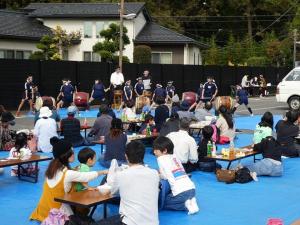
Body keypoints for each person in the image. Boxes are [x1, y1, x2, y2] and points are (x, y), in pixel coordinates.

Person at [30, 137, 107, 222]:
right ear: (66, 155)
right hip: (56, 213)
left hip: (43, 210)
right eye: (72, 152)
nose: (74, 153)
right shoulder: (67, 173)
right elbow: (86, 176)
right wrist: (103, 172)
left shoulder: (52, 169)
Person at [98, 141, 159, 225]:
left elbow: (112, 192)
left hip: (129, 222)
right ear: (143, 155)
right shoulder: (154, 173)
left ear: (126, 156)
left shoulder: (121, 175)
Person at [153, 136, 199, 214]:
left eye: (156, 150)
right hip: (192, 189)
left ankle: (185, 205)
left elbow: (165, 176)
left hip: (181, 194)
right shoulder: (175, 157)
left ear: (164, 150)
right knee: (176, 197)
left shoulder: (160, 159)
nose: (154, 152)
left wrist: (159, 174)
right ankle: (191, 202)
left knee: (162, 203)